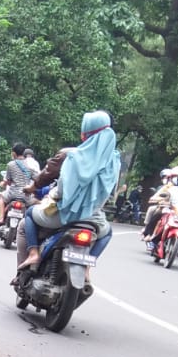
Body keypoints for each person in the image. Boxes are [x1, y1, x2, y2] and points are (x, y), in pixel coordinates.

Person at [16, 110, 120, 270]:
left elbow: (62, 192)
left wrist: (51, 195)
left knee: (29, 214)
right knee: (107, 233)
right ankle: (86, 269)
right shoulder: (114, 162)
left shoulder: (74, 156)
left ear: (85, 133)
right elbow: (107, 195)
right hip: (93, 219)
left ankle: (33, 254)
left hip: (64, 216)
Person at [0, 142, 35, 226]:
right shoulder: (30, 166)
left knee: (2, 197)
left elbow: (8, 181)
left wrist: (4, 183)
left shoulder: (10, 164)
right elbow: (37, 179)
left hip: (13, 194)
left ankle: (1, 217)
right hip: (26, 196)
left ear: (14, 153)